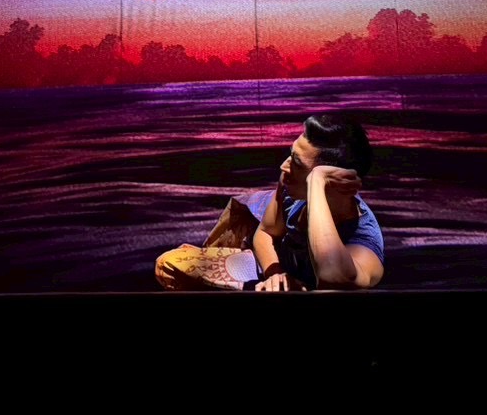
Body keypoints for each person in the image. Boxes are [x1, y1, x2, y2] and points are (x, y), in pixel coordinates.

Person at [154, 112, 384, 291]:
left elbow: (332, 278)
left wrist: (317, 181)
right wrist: (275, 275)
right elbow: (265, 232)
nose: (284, 167)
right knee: (170, 264)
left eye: (297, 163)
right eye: (290, 155)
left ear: (334, 182)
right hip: (272, 267)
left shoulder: (364, 239)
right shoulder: (290, 187)